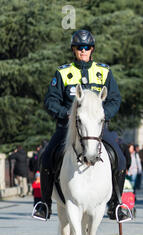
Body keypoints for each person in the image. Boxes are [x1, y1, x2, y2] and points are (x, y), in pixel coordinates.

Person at [32, 29, 130, 222]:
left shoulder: (104, 72)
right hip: (67, 129)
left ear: (92, 49)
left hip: (98, 130)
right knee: (46, 158)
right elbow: (51, 100)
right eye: (79, 47)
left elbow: (115, 99)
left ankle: (116, 204)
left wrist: (102, 115)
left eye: (87, 47)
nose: (83, 51)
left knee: (120, 158)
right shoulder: (62, 73)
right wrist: (66, 114)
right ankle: (45, 204)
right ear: (73, 50)